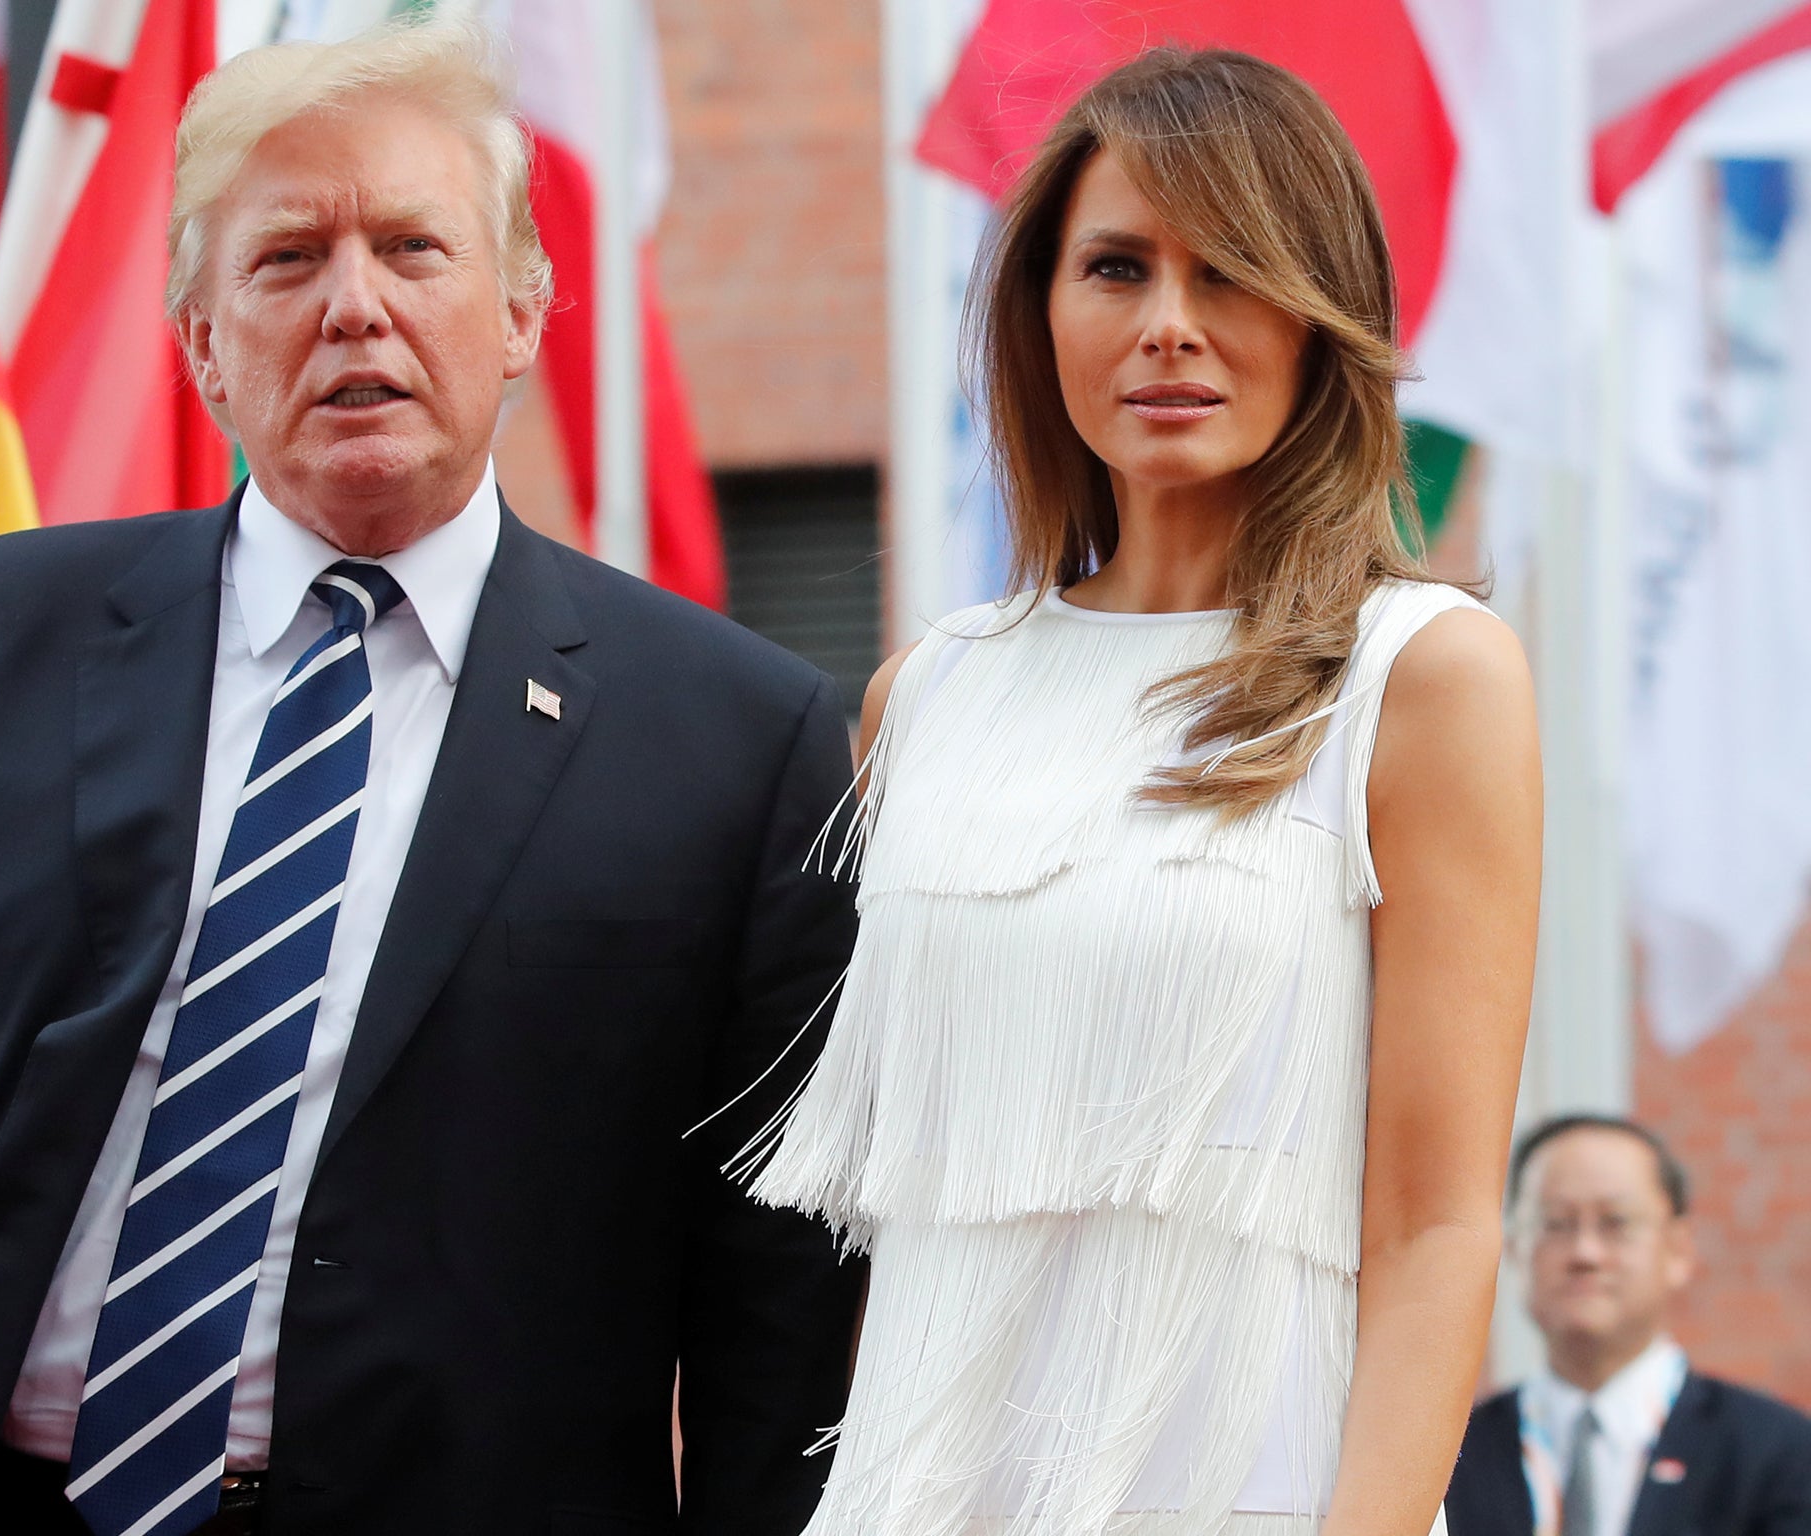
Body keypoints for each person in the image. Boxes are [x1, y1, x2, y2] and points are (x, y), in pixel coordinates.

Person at [0, 20, 862, 1536]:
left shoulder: (743, 744)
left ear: (526, 309)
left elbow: (783, 1307)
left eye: (416, 248)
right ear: (202, 340)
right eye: (287, 260)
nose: (358, 308)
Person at [747, 47, 1542, 1536]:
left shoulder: (1423, 675)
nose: (1170, 326)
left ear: (1320, 324)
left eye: (1229, 272)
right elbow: (913, 1210)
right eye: (1117, 267)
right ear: (1041, 312)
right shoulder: (927, 696)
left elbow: (1438, 1227)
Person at [1447, 1116, 1811, 1536]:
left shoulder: (1775, 1453)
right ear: (1512, 1248)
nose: (1585, 1252)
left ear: (1678, 1248)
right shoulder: (1453, 1458)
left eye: (1615, 1222)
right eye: (1555, 1223)